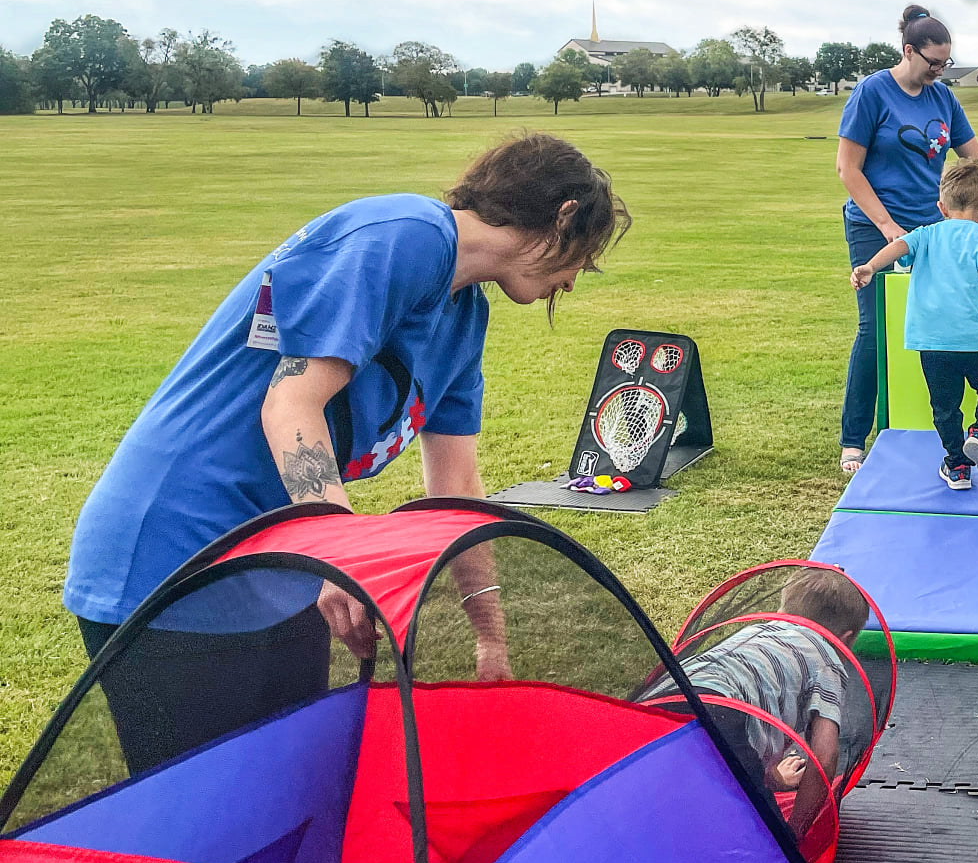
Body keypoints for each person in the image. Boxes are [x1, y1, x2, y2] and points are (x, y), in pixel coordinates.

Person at [62, 132, 629, 770]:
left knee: (293, 797)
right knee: (202, 824)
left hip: (280, 564)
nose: (576, 280)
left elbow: (458, 493)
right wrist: (339, 553)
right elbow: (290, 404)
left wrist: (489, 634)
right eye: (586, 257)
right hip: (172, 554)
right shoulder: (407, 234)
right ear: (564, 216)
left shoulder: (464, 315)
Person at [835, 5, 978, 474]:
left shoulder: (942, 99)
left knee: (954, 317)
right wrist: (888, 226)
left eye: (946, 63)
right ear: (909, 51)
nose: (940, 71)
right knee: (873, 329)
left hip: (939, 228)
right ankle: (853, 439)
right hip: (876, 225)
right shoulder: (872, 92)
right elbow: (848, 169)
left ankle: (950, 427)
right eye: (933, 62)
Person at [647, 567, 872, 837]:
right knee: (765, 842)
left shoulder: (756, 631)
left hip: (659, 702)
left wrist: (774, 779)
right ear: (845, 640)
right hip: (721, 715)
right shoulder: (826, 658)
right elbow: (824, 758)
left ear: (780, 612)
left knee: (666, 808)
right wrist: (796, 832)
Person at [851, 161, 978, 489]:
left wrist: (870, 266)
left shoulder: (926, 234)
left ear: (941, 207)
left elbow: (899, 246)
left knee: (945, 406)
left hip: (931, 341)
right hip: (973, 341)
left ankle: (957, 466)